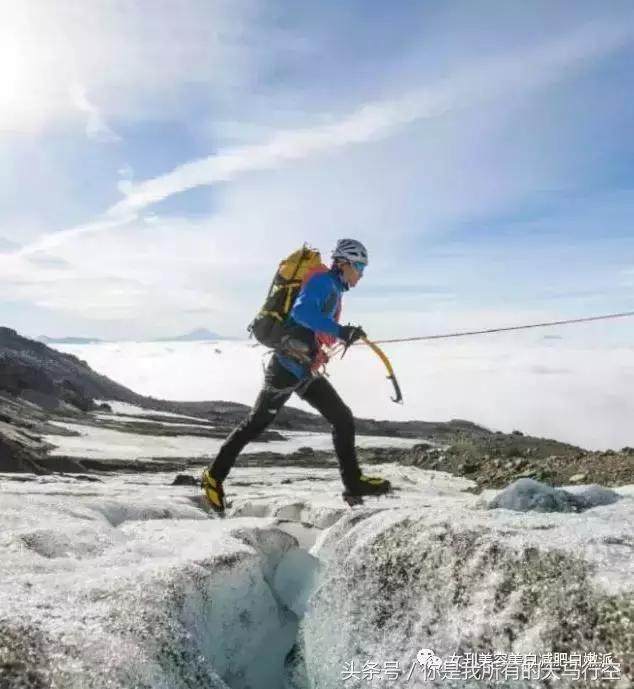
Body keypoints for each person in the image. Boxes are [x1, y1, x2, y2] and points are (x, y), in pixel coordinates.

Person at [201, 238, 391, 513]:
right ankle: (212, 478)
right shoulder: (324, 282)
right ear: (345, 263)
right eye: (360, 266)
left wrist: (340, 336)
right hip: (284, 369)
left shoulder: (333, 288)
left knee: (342, 417)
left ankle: (353, 484)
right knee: (255, 424)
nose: (361, 273)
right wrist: (340, 332)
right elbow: (302, 312)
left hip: (303, 368)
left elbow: (310, 327)